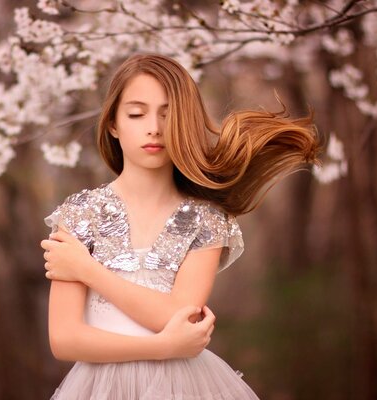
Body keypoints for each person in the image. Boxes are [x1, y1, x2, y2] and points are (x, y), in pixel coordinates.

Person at [40, 53, 323, 399]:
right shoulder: (80, 214)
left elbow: (178, 316)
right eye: (136, 113)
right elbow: (65, 339)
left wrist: (89, 271)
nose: (154, 127)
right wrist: (163, 347)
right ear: (113, 124)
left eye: (168, 113)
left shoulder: (205, 219)